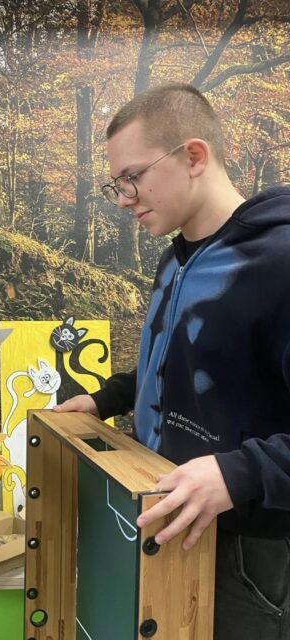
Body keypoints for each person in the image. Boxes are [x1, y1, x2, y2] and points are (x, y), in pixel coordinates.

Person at [55, 83, 290, 639]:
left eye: (133, 177)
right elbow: (181, 361)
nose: (123, 198)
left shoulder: (280, 262)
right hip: (164, 523)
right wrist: (108, 398)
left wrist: (237, 472)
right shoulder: (174, 259)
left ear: (194, 157)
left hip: (244, 556)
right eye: (116, 184)